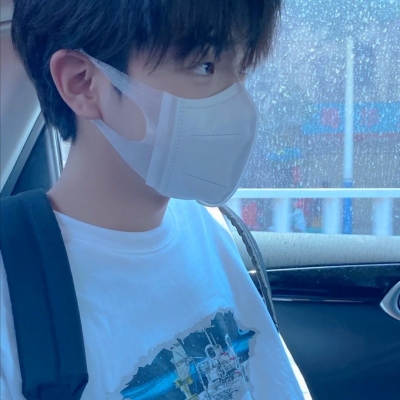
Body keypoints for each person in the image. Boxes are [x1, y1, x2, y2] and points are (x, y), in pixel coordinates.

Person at [1, 1, 311, 398]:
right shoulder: (13, 296)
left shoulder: (209, 225)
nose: (239, 105)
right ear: (82, 83)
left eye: (242, 69)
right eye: (205, 66)